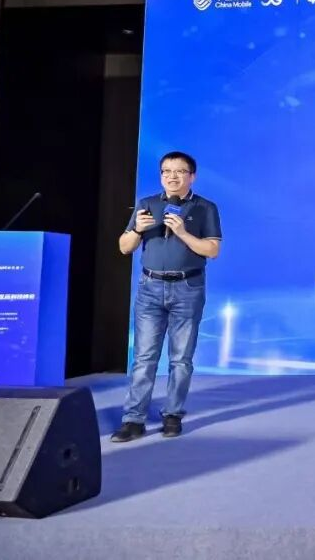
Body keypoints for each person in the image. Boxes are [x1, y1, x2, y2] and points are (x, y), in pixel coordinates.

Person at [111, 151, 222, 442]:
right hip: (150, 288)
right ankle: (133, 419)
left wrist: (183, 232)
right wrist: (137, 229)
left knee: (181, 359)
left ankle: (172, 414)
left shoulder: (205, 208)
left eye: (179, 171)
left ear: (191, 176)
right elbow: (124, 247)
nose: (172, 177)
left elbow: (212, 250)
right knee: (144, 357)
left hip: (188, 288)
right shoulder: (147, 204)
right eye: (166, 171)